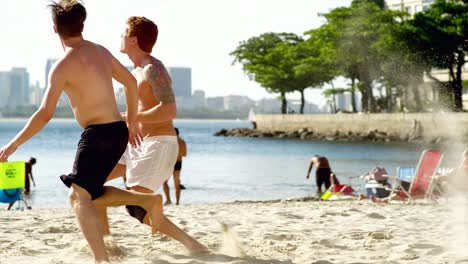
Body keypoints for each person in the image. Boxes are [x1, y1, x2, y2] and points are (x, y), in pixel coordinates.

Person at [0, 2, 164, 262]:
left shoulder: (62, 66)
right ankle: (149, 201)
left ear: (55, 29)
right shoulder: (100, 51)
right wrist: (131, 123)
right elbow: (130, 84)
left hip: (98, 135)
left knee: (77, 196)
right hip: (118, 132)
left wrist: (12, 145)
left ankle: (101, 259)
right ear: (82, 25)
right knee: (91, 192)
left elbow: (44, 113)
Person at [95, 16, 208, 252]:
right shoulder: (134, 71)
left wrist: (134, 118)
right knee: (92, 184)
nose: (121, 36)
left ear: (134, 39)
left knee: (137, 208)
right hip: (136, 144)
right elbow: (141, 110)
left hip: (158, 144)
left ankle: (194, 246)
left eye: (124, 32)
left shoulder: (152, 69)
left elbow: (169, 109)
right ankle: (106, 243)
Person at [163, 127, 187, 205]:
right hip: (178, 163)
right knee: (177, 184)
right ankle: (177, 202)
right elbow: (185, 154)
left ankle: (168, 200)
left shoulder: (168, 142)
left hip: (169, 164)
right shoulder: (182, 142)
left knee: (165, 182)